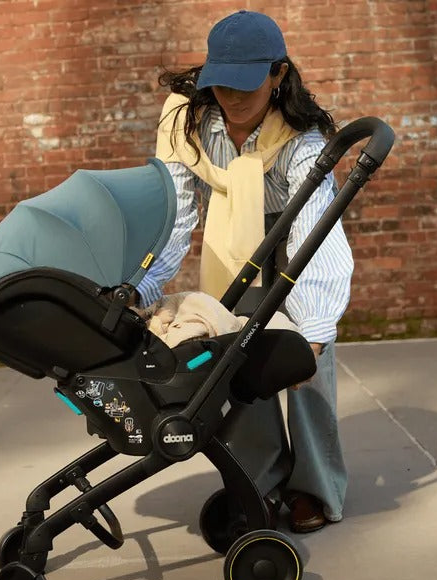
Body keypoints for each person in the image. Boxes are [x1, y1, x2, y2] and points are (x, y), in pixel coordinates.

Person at [134, 10, 354, 533]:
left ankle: (313, 488)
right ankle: (259, 481)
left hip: (294, 236)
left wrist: (313, 335)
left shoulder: (302, 140)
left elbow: (317, 233)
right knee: (235, 347)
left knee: (305, 358)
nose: (231, 97)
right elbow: (176, 215)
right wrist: (144, 287)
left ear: (278, 75)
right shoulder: (185, 120)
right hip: (233, 234)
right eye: (222, 83)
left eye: (246, 83)